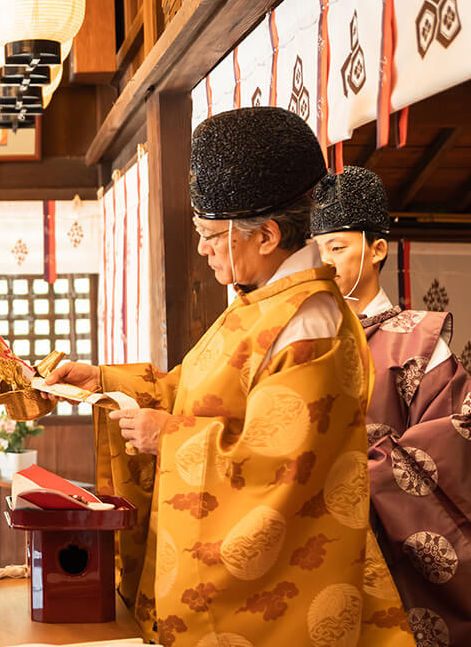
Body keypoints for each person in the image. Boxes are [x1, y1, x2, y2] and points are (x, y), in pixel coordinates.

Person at [48, 107, 414, 646]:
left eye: (210, 234)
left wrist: (164, 437)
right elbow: (197, 392)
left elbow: (283, 466)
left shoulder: (310, 319)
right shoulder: (262, 302)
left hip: (289, 591)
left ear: (265, 235)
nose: (202, 248)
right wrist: (103, 380)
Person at [311, 166, 471, 644]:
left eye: (337, 247)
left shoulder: (420, 343)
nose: (324, 262)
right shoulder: (303, 339)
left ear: (377, 249)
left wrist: (347, 472)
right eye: (315, 251)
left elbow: (453, 444)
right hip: (315, 540)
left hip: (389, 548)